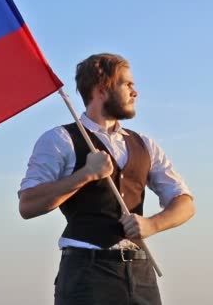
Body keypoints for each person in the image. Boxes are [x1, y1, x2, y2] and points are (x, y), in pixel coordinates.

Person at [18, 53, 195, 305]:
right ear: (102, 89)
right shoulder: (59, 139)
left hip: (141, 274)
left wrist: (153, 225)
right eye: (128, 84)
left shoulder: (145, 144)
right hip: (86, 275)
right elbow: (28, 205)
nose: (135, 92)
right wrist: (85, 175)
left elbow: (185, 203)